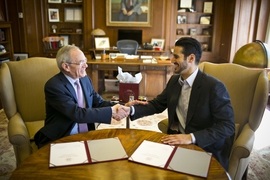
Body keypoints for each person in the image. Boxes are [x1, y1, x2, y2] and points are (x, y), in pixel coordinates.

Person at [124, 37, 235, 170]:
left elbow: (228, 126)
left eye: (176, 56)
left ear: (191, 58)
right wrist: (131, 110)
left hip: (204, 147)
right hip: (176, 142)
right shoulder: (175, 80)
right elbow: (157, 104)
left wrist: (191, 137)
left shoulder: (214, 87)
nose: (171, 60)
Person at [34, 45, 128, 148]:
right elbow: (77, 114)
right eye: (81, 62)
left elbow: (98, 103)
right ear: (66, 66)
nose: (86, 65)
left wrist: (122, 105)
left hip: (87, 134)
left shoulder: (85, 79)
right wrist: (111, 111)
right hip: (62, 137)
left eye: (85, 61)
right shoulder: (54, 86)